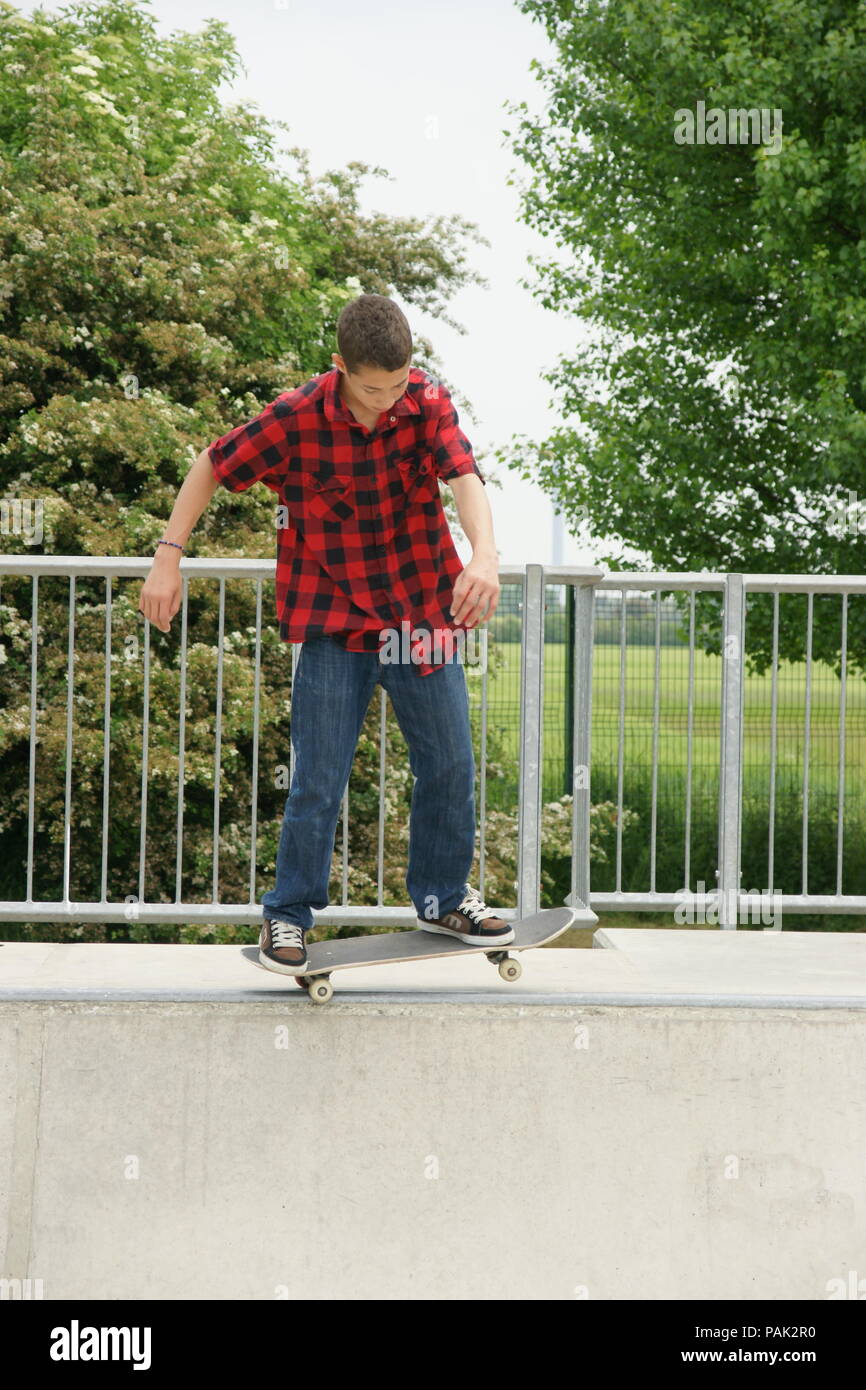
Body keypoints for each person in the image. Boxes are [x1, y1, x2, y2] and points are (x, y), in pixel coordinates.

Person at [139, 293, 512, 974]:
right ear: (339, 366)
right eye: (372, 390)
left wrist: (483, 555)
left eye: (397, 386)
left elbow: (464, 475)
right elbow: (212, 465)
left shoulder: (425, 402)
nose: (386, 401)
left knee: (451, 766)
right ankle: (287, 917)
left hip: (421, 615)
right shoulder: (297, 417)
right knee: (319, 779)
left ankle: (441, 897)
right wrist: (169, 555)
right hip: (335, 624)